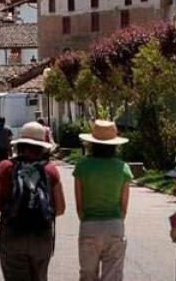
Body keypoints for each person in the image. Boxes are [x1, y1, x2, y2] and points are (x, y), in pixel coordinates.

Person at [0, 121, 66, 281]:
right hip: (42, 236)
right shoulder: (50, 171)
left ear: (20, 144)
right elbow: (60, 209)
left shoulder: (5, 167)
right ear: (42, 146)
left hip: (12, 234)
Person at [74, 120, 132, 281]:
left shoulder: (82, 166)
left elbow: (79, 205)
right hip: (114, 224)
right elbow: (124, 207)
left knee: (87, 275)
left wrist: (88, 220)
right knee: (112, 276)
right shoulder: (123, 168)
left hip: (89, 225)